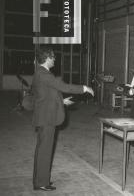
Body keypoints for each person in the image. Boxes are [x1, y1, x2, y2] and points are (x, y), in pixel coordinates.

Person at [32, 46, 94, 191]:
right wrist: (84, 88)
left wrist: (62, 102)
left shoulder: (41, 73)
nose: (54, 60)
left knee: (43, 150)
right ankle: (41, 183)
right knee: (45, 150)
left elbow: (47, 94)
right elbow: (63, 87)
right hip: (47, 118)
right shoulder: (44, 74)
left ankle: (40, 180)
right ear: (47, 58)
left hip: (45, 116)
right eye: (53, 57)